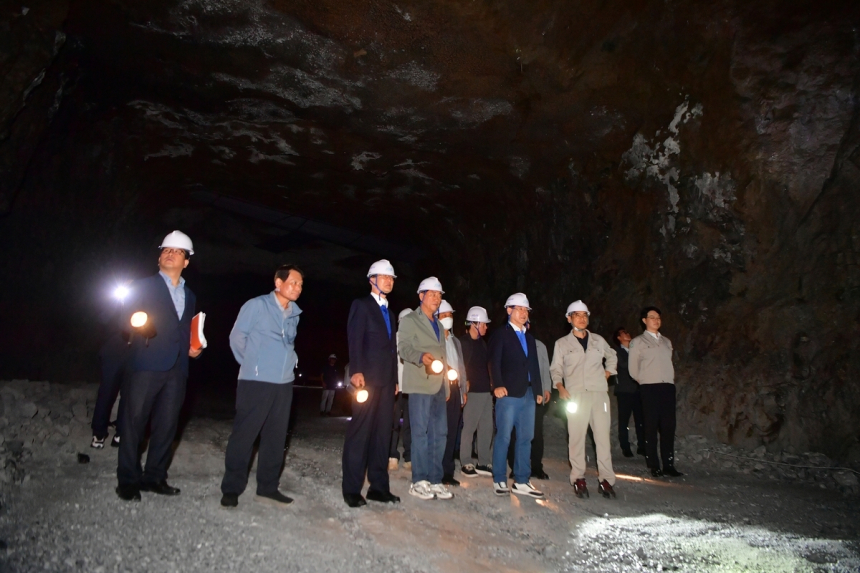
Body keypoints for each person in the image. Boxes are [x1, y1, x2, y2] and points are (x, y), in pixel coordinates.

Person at [116, 231, 202, 502]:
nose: (170, 253)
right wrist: (136, 321)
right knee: (133, 422)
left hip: (177, 369)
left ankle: (155, 477)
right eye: (166, 249)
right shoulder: (142, 286)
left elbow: (187, 330)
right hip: (147, 362)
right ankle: (128, 479)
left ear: (186, 261)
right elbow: (123, 318)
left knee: (167, 425)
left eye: (178, 251)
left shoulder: (190, 295)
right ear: (159, 256)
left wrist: (194, 348)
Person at [219, 264, 304, 508]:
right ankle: (231, 488)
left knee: (276, 438)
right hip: (255, 381)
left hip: (284, 384)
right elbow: (237, 338)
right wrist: (252, 365)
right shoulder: (256, 305)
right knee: (245, 436)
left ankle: (267, 487)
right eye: (293, 282)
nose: (298, 288)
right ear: (278, 282)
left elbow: (288, 344)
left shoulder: (295, 313)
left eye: (300, 285)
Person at [341, 260, 400, 507]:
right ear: (371, 279)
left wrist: (395, 379)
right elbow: (354, 339)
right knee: (361, 432)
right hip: (367, 379)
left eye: (391, 278)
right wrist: (355, 370)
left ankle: (378, 487)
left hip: (387, 381)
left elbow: (392, 349)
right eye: (383, 276)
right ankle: (352, 489)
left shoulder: (391, 312)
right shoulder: (362, 306)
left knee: (383, 434)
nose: (388, 281)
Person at [550, 301, 618, 499]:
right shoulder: (562, 344)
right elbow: (556, 368)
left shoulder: (598, 340)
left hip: (599, 394)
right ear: (569, 318)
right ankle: (578, 478)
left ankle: (606, 480)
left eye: (584, 315)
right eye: (577, 315)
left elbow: (612, 356)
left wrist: (607, 374)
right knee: (577, 437)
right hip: (575, 394)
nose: (582, 318)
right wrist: (560, 387)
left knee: (603, 438)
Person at [398, 277, 453, 501]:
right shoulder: (410, 320)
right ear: (421, 296)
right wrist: (421, 356)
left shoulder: (439, 324)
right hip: (420, 383)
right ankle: (419, 480)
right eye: (432, 294)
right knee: (420, 433)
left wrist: (447, 385)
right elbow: (404, 349)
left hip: (439, 384)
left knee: (440, 433)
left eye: (439, 295)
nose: (437, 298)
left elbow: (444, 356)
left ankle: (435, 479)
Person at [488, 293, 544, 499]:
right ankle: (499, 478)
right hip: (509, 392)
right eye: (518, 309)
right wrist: (497, 385)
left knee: (526, 437)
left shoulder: (529, 338)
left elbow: (534, 366)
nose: (523, 313)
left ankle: (521, 479)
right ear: (509, 310)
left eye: (525, 310)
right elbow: (493, 361)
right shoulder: (501, 334)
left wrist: (538, 390)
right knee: (503, 435)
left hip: (528, 392)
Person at [628, 306, 684, 478]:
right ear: (644, 320)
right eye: (652, 317)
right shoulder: (638, 342)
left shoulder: (666, 341)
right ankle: (654, 464)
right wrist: (644, 380)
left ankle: (668, 463)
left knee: (668, 425)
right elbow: (632, 368)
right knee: (651, 425)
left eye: (658, 317)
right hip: (649, 387)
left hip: (667, 386)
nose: (656, 320)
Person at [91, 283, 130, 449]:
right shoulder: (111, 303)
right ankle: (98, 433)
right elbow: (101, 318)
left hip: (133, 354)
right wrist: (116, 302)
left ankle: (120, 433)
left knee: (129, 396)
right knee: (106, 393)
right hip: (112, 353)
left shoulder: (140, 304)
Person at [458, 306, 493, 478]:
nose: (486, 327)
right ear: (474, 324)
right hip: (472, 392)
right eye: (484, 324)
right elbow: (459, 367)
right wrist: (463, 387)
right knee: (469, 427)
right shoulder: (464, 343)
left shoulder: (482, 343)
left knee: (487, 427)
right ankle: (465, 461)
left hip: (486, 391)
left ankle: (484, 461)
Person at [437, 300, 465, 486]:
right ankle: (435, 469)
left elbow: (461, 366)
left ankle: (448, 471)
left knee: (453, 430)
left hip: (455, 388)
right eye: (444, 315)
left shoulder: (455, 341)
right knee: (440, 430)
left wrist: (463, 390)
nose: (448, 318)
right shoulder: (434, 338)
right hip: (440, 387)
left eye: (450, 315)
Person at [612, 327, 645, 458]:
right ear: (619, 338)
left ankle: (642, 446)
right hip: (624, 391)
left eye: (628, 332)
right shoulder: (616, 352)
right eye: (624, 333)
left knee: (641, 419)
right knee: (624, 420)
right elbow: (624, 365)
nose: (628, 334)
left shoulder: (636, 350)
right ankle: (625, 447)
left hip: (638, 389)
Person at [389, 308, 412, 472]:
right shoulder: (393, 340)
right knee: (394, 423)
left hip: (411, 389)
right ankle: (392, 454)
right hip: (397, 388)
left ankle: (409, 456)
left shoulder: (414, 340)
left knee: (410, 424)